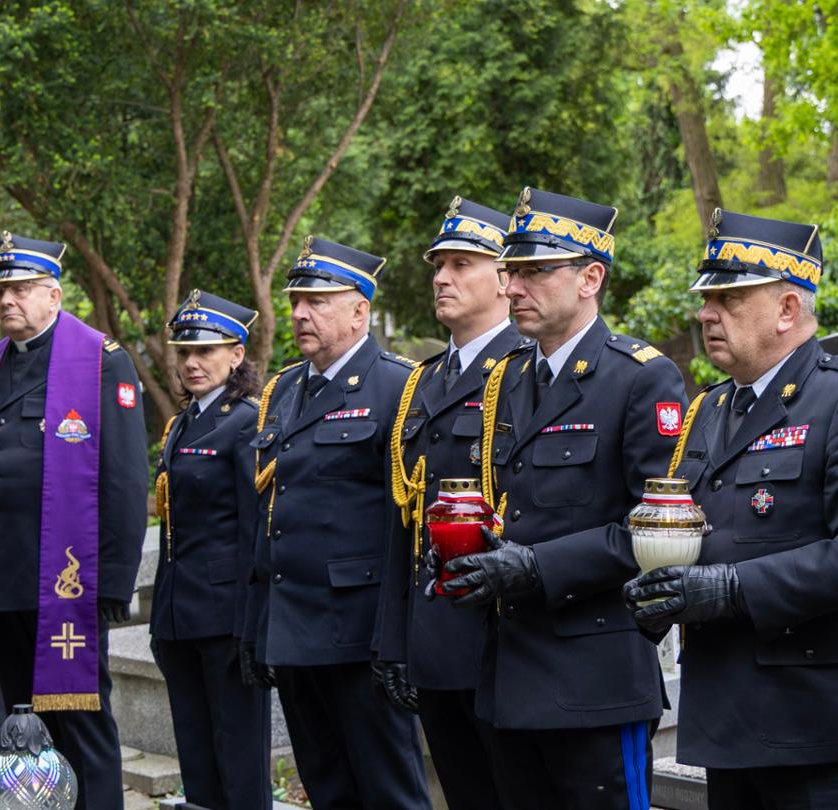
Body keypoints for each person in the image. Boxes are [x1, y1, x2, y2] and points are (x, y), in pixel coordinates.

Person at [622, 209, 838, 808]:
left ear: (788, 310)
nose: (706, 312)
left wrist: (732, 589)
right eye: (707, 297)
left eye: (729, 297)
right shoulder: (709, 409)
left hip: (822, 728)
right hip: (729, 725)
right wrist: (662, 591)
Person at [440, 187, 685, 810]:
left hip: (594, 676)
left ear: (590, 278)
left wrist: (535, 566)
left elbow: (656, 532)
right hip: (509, 674)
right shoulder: (511, 377)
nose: (515, 287)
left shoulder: (640, 377)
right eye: (511, 271)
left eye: (535, 271)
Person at [0, 231, 149, 810]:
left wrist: (113, 578)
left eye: (20, 288)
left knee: (81, 725)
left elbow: (124, 479)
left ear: (54, 295)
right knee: (20, 733)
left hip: (64, 581)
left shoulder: (100, 363)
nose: (7, 300)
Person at [250, 236, 429, 809]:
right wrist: (257, 625)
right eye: (297, 300)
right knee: (326, 788)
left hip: (359, 634)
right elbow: (269, 514)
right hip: (295, 629)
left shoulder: (399, 385)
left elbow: (408, 524)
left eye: (319, 301)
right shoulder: (281, 390)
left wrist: (396, 639)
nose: (301, 313)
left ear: (360, 310)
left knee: (389, 791)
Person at [378, 196, 529, 810]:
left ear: (504, 277)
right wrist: (393, 642)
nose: (441, 277)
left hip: (503, 640)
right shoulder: (422, 380)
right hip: (435, 639)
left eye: (461, 263)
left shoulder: (526, 368)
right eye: (438, 264)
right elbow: (403, 520)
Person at [149, 290, 272, 810]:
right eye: (183, 353)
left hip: (225, 619)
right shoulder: (182, 424)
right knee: (196, 758)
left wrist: (251, 625)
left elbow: (255, 531)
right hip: (179, 614)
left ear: (237, 355)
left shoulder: (246, 421)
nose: (192, 363)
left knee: (239, 760)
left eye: (206, 351)